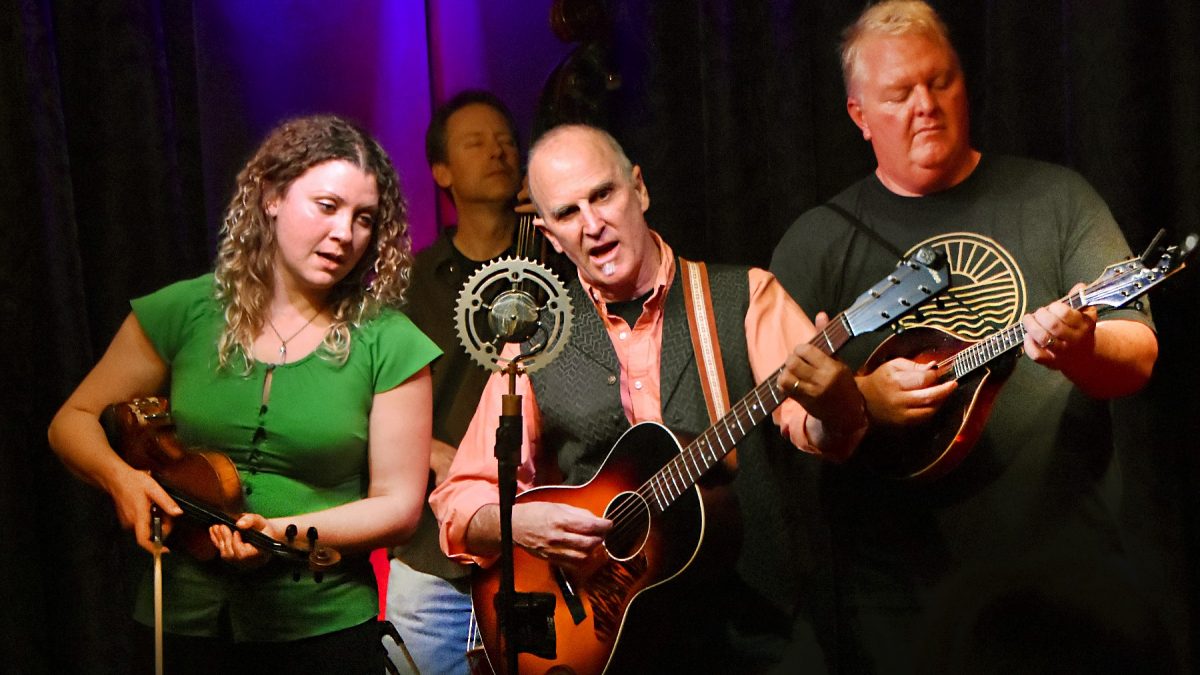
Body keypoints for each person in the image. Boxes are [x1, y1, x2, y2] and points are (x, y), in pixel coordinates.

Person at [768, 2, 1158, 673]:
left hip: (1062, 583)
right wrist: (858, 401)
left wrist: (1082, 349)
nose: (926, 105)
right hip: (897, 606)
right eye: (900, 94)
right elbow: (786, 409)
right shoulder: (817, 241)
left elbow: (1139, 352)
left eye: (940, 81)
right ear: (859, 115)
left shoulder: (1055, 198)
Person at [430, 123, 868, 673]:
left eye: (603, 195)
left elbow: (821, 434)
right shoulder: (532, 343)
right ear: (548, 234)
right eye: (567, 213)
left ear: (638, 188)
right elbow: (460, 499)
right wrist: (520, 524)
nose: (592, 224)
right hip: (613, 640)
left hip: (755, 632)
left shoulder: (745, 296)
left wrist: (836, 403)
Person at [47, 114, 439, 675]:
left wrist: (283, 535)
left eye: (364, 219)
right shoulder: (185, 309)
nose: (345, 233)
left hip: (322, 630)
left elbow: (399, 507)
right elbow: (73, 419)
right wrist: (122, 480)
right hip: (178, 621)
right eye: (327, 206)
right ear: (272, 196)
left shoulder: (390, 341)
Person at [383, 90, 527, 675]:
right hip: (431, 557)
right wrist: (430, 450)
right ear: (441, 171)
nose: (498, 152)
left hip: (537, 548)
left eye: (507, 141)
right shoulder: (409, 286)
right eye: (476, 143)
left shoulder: (559, 269)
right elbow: (362, 401)